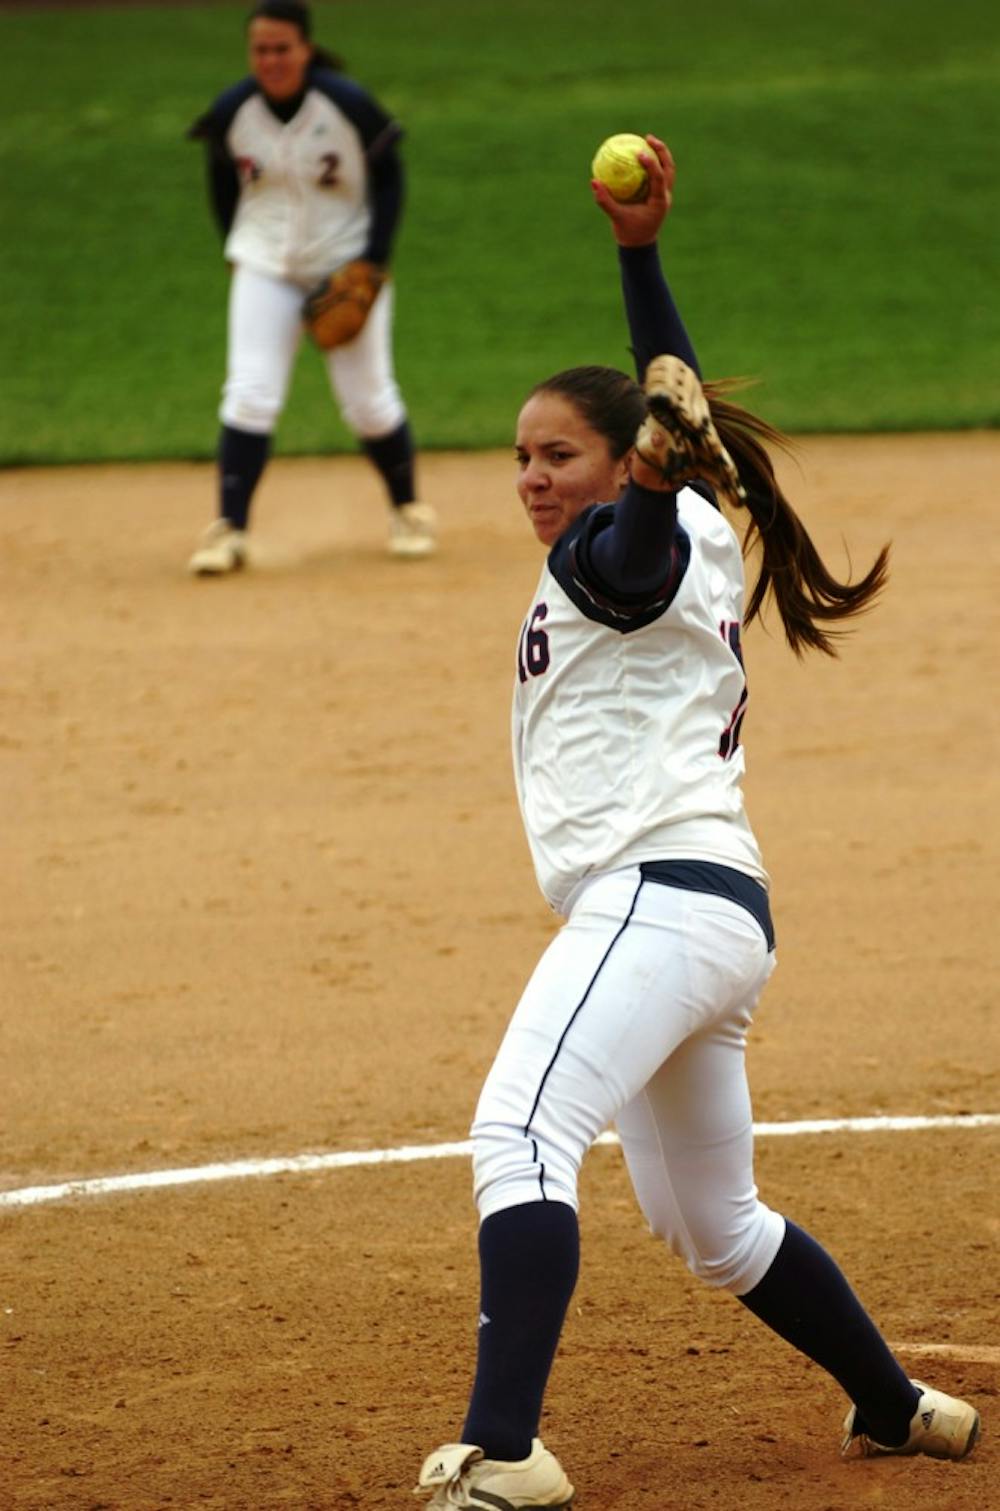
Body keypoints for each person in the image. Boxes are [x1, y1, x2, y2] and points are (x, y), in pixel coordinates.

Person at [413, 137, 980, 1508]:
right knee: (713, 1222)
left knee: (520, 1132)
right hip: (710, 913)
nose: (534, 476)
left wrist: (651, 476)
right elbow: (675, 419)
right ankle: (900, 1406)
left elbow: (632, 537)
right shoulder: (702, 520)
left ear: (622, 466)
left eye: (559, 454)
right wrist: (639, 257)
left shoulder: (633, 542)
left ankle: (503, 1451)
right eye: (521, 458)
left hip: (658, 899)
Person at [186, 0, 435, 574]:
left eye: (281, 48)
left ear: (304, 49)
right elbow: (221, 180)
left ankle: (408, 510)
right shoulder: (234, 110)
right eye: (260, 50)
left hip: (343, 265)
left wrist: (373, 262)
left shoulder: (344, 104)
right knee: (250, 391)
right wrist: (234, 244)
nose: (271, 60)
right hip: (264, 264)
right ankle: (229, 528)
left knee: (369, 402)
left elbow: (391, 174)